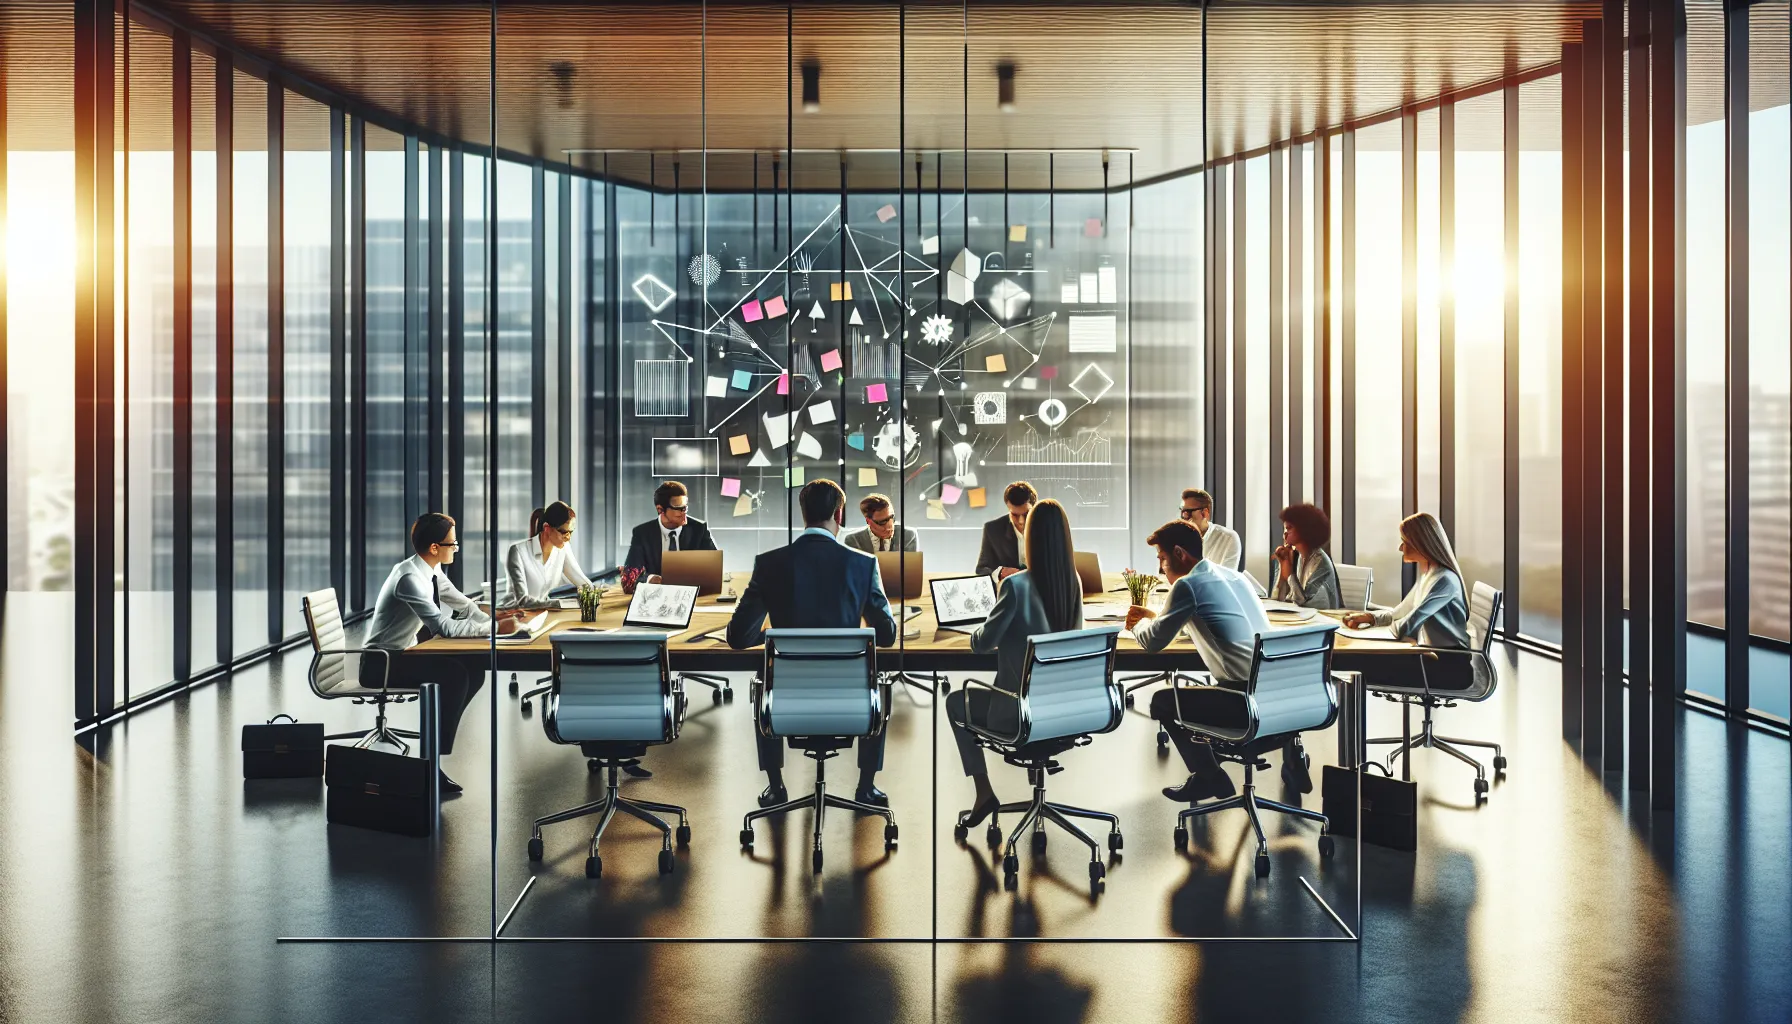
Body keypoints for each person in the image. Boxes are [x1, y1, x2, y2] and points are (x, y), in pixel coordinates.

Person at [727, 479, 900, 810]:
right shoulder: (863, 564)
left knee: (763, 682)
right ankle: (866, 787)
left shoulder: (769, 563)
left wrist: (777, 639)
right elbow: (887, 635)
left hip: (784, 706)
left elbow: (738, 637)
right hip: (852, 705)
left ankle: (776, 787)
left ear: (803, 514)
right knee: (879, 683)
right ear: (839, 513)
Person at [1126, 520, 1312, 800]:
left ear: (1179, 553)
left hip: (1243, 704)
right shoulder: (1234, 577)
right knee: (1204, 695)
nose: (1160, 568)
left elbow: (1153, 642)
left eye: (1162, 559)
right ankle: (1289, 755)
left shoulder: (1188, 586)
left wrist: (1137, 624)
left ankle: (1209, 777)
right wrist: (1156, 620)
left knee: (1163, 702)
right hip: (1279, 697)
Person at [944, 499, 1084, 829]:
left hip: (1016, 713)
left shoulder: (1015, 586)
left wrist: (980, 625)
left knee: (955, 702)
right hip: (1062, 712)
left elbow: (981, 644)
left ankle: (983, 793)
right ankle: (1037, 780)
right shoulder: (1073, 582)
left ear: (1030, 538)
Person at [365, 513, 526, 793]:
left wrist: (497, 619)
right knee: (452, 675)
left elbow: (464, 605)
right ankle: (430, 760)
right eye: (452, 544)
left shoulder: (431, 571)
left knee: (473, 669)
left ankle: (437, 744)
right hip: (380, 663)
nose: (456, 549)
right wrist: (495, 628)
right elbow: (442, 626)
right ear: (434, 548)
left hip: (405, 654)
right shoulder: (409, 579)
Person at [1343, 512, 1471, 648]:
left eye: (1405, 542)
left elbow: (1410, 622)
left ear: (1421, 544)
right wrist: (1370, 618)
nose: (1400, 548)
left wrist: (1367, 633)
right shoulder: (1428, 575)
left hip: (1450, 660)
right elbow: (1400, 613)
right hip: (1433, 654)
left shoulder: (1445, 580)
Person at [502, 501, 591, 609]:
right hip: (514, 616)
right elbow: (523, 601)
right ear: (547, 528)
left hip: (542, 613)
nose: (568, 538)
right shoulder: (518, 552)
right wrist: (559, 604)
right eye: (564, 532)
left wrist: (600, 592)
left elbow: (581, 581)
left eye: (570, 532)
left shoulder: (563, 548)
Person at [623, 481, 717, 579]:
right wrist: (649, 579)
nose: (684, 513)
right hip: (656, 592)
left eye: (685, 508)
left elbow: (715, 567)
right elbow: (630, 574)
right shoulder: (642, 533)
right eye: (678, 508)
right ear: (660, 509)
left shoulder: (699, 529)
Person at [1266, 503, 1341, 609]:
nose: (1285, 534)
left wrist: (1289, 575)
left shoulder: (1319, 561)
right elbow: (1277, 600)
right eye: (1285, 528)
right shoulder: (1296, 556)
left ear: (1305, 529)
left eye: (1289, 528)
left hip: (1323, 620)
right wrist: (1282, 569)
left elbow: (1304, 604)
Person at [975, 481, 1037, 577]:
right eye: (1015, 515)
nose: (1021, 521)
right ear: (1008, 508)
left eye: (1026, 514)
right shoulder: (993, 530)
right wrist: (1000, 572)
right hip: (1008, 589)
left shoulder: (1047, 528)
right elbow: (981, 569)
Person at [1179, 488, 1240, 572]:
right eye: (1182, 513)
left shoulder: (1228, 538)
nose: (1184, 518)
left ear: (1205, 513)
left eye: (1187, 512)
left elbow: (1226, 578)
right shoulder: (1178, 539)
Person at [841, 493, 919, 554]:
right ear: (868, 521)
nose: (889, 526)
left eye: (892, 517)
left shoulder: (908, 536)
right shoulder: (853, 541)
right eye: (882, 522)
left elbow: (911, 571)